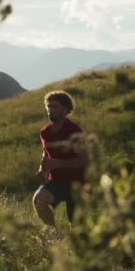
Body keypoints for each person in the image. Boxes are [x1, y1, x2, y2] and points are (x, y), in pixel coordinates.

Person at [32, 90, 87, 228]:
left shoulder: (74, 131)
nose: (50, 110)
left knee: (78, 228)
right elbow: (46, 152)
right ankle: (57, 233)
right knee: (39, 200)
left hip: (77, 184)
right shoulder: (45, 132)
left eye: (54, 107)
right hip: (56, 181)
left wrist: (57, 163)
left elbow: (83, 160)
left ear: (66, 109)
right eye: (48, 106)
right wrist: (42, 168)